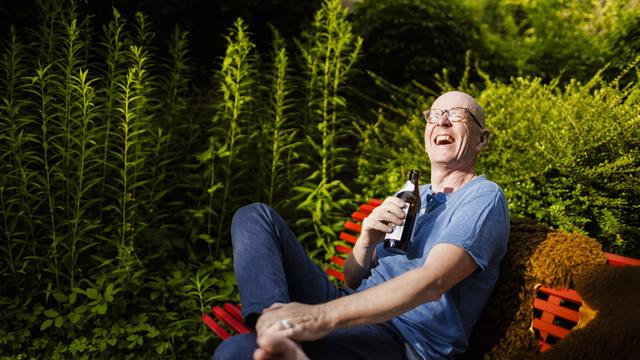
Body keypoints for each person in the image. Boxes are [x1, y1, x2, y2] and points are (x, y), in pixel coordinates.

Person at [212, 91, 509, 360]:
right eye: (434, 115)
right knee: (255, 216)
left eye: (456, 115)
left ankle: (274, 337)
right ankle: (270, 323)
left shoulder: (483, 197)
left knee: (236, 352)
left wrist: (318, 317)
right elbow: (352, 281)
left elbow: (433, 282)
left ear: (482, 139)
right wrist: (366, 239)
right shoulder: (411, 195)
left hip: (402, 336)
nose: (442, 121)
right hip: (353, 306)